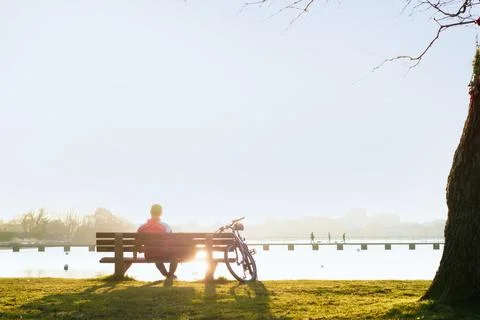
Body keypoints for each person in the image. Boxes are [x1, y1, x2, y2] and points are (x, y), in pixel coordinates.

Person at [137, 204, 177, 279]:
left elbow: (137, 243)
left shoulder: (142, 227)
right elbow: (172, 241)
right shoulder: (166, 227)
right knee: (174, 257)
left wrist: (141, 250)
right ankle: (170, 275)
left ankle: (168, 275)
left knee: (156, 255)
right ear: (161, 213)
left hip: (149, 255)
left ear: (150, 212)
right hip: (164, 253)